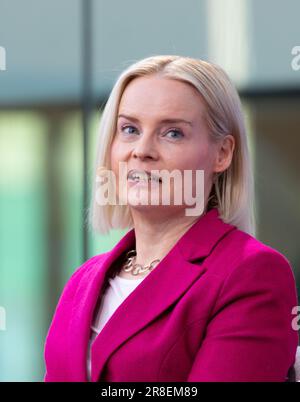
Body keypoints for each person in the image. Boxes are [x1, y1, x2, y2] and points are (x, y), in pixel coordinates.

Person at [43, 55, 299, 382]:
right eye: (130, 129)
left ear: (222, 153)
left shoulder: (251, 272)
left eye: (173, 133)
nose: (142, 150)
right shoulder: (83, 282)